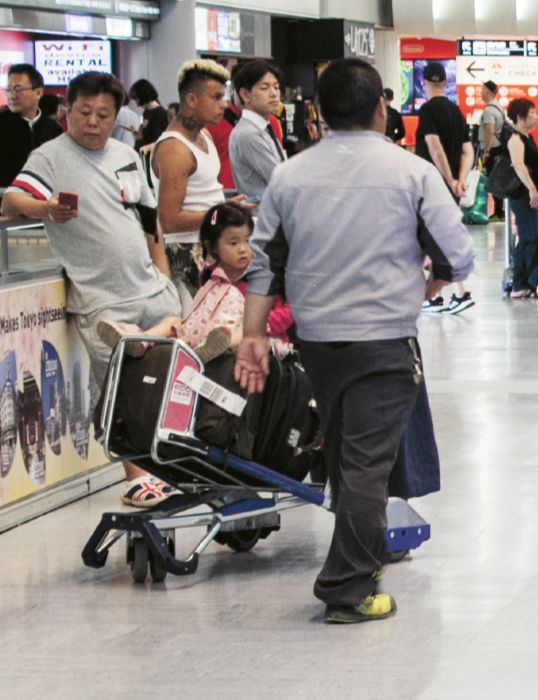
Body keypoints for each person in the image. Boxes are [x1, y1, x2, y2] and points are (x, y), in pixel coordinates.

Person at [234, 58, 475, 623]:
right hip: (384, 339)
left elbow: (264, 263)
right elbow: (458, 256)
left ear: (317, 113)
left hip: (316, 340)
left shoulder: (290, 175)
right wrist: (423, 286)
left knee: (346, 454)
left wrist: (251, 335)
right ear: (380, 109)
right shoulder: (410, 171)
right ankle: (346, 585)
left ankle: (361, 556)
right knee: (367, 462)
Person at [1, 71, 181, 508]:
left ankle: (176, 468)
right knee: (121, 389)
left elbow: (146, 217)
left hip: (151, 291)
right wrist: (45, 207)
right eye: (84, 112)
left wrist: (162, 272)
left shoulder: (124, 154)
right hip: (102, 302)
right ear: (67, 112)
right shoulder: (50, 156)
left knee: (170, 386)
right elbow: (11, 200)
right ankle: (137, 477)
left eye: (104, 114)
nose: (94, 122)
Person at [97, 202, 291, 359]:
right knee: (174, 320)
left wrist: (258, 322)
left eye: (248, 241)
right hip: (207, 333)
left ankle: (215, 348)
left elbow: (289, 312)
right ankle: (139, 339)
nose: (243, 249)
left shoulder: (263, 277)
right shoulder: (214, 278)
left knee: (243, 333)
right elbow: (199, 313)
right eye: (233, 243)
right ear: (213, 247)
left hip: (254, 338)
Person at [152, 59, 242, 309]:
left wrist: (225, 208)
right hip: (186, 252)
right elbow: (169, 220)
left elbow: (203, 196)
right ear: (192, 100)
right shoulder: (175, 149)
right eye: (216, 97)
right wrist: (221, 213)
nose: (223, 105)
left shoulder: (203, 135)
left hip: (207, 245)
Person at [416, 62, 475, 315]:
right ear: (445, 83)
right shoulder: (455, 110)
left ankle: (435, 296)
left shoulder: (428, 110)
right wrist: (460, 180)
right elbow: (467, 150)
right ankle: (455, 294)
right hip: (450, 189)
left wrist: (448, 179)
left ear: (423, 83)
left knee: (426, 239)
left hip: (430, 187)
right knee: (444, 239)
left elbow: (434, 146)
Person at [503, 98, 538, 299]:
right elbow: (519, 166)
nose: (536, 116)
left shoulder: (527, 138)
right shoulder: (515, 139)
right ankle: (520, 283)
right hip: (521, 196)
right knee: (535, 237)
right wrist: (532, 189)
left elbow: (536, 165)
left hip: (529, 195)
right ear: (520, 116)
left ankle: (527, 282)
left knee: (534, 237)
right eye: (532, 113)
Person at [229, 60, 287, 198]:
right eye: (264, 88)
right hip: (262, 215)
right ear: (245, 95)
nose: (273, 93)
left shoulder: (263, 127)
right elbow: (282, 179)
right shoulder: (248, 134)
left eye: (276, 87)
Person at [1, 65, 62, 188]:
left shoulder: (54, 130)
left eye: (18, 89)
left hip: (43, 201)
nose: (12, 96)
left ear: (38, 92)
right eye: (8, 89)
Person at [478, 80, 507, 221]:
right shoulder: (499, 108)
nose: (481, 93)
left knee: (493, 180)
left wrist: (486, 151)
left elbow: (489, 130)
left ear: (488, 92)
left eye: (482, 90)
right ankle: (500, 211)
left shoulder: (489, 110)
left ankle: (499, 212)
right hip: (499, 149)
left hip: (493, 149)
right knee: (497, 180)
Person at [129, 79, 168, 150]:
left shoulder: (160, 113)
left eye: (136, 99)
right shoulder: (146, 112)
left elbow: (159, 141)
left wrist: (145, 146)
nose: (136, 102)